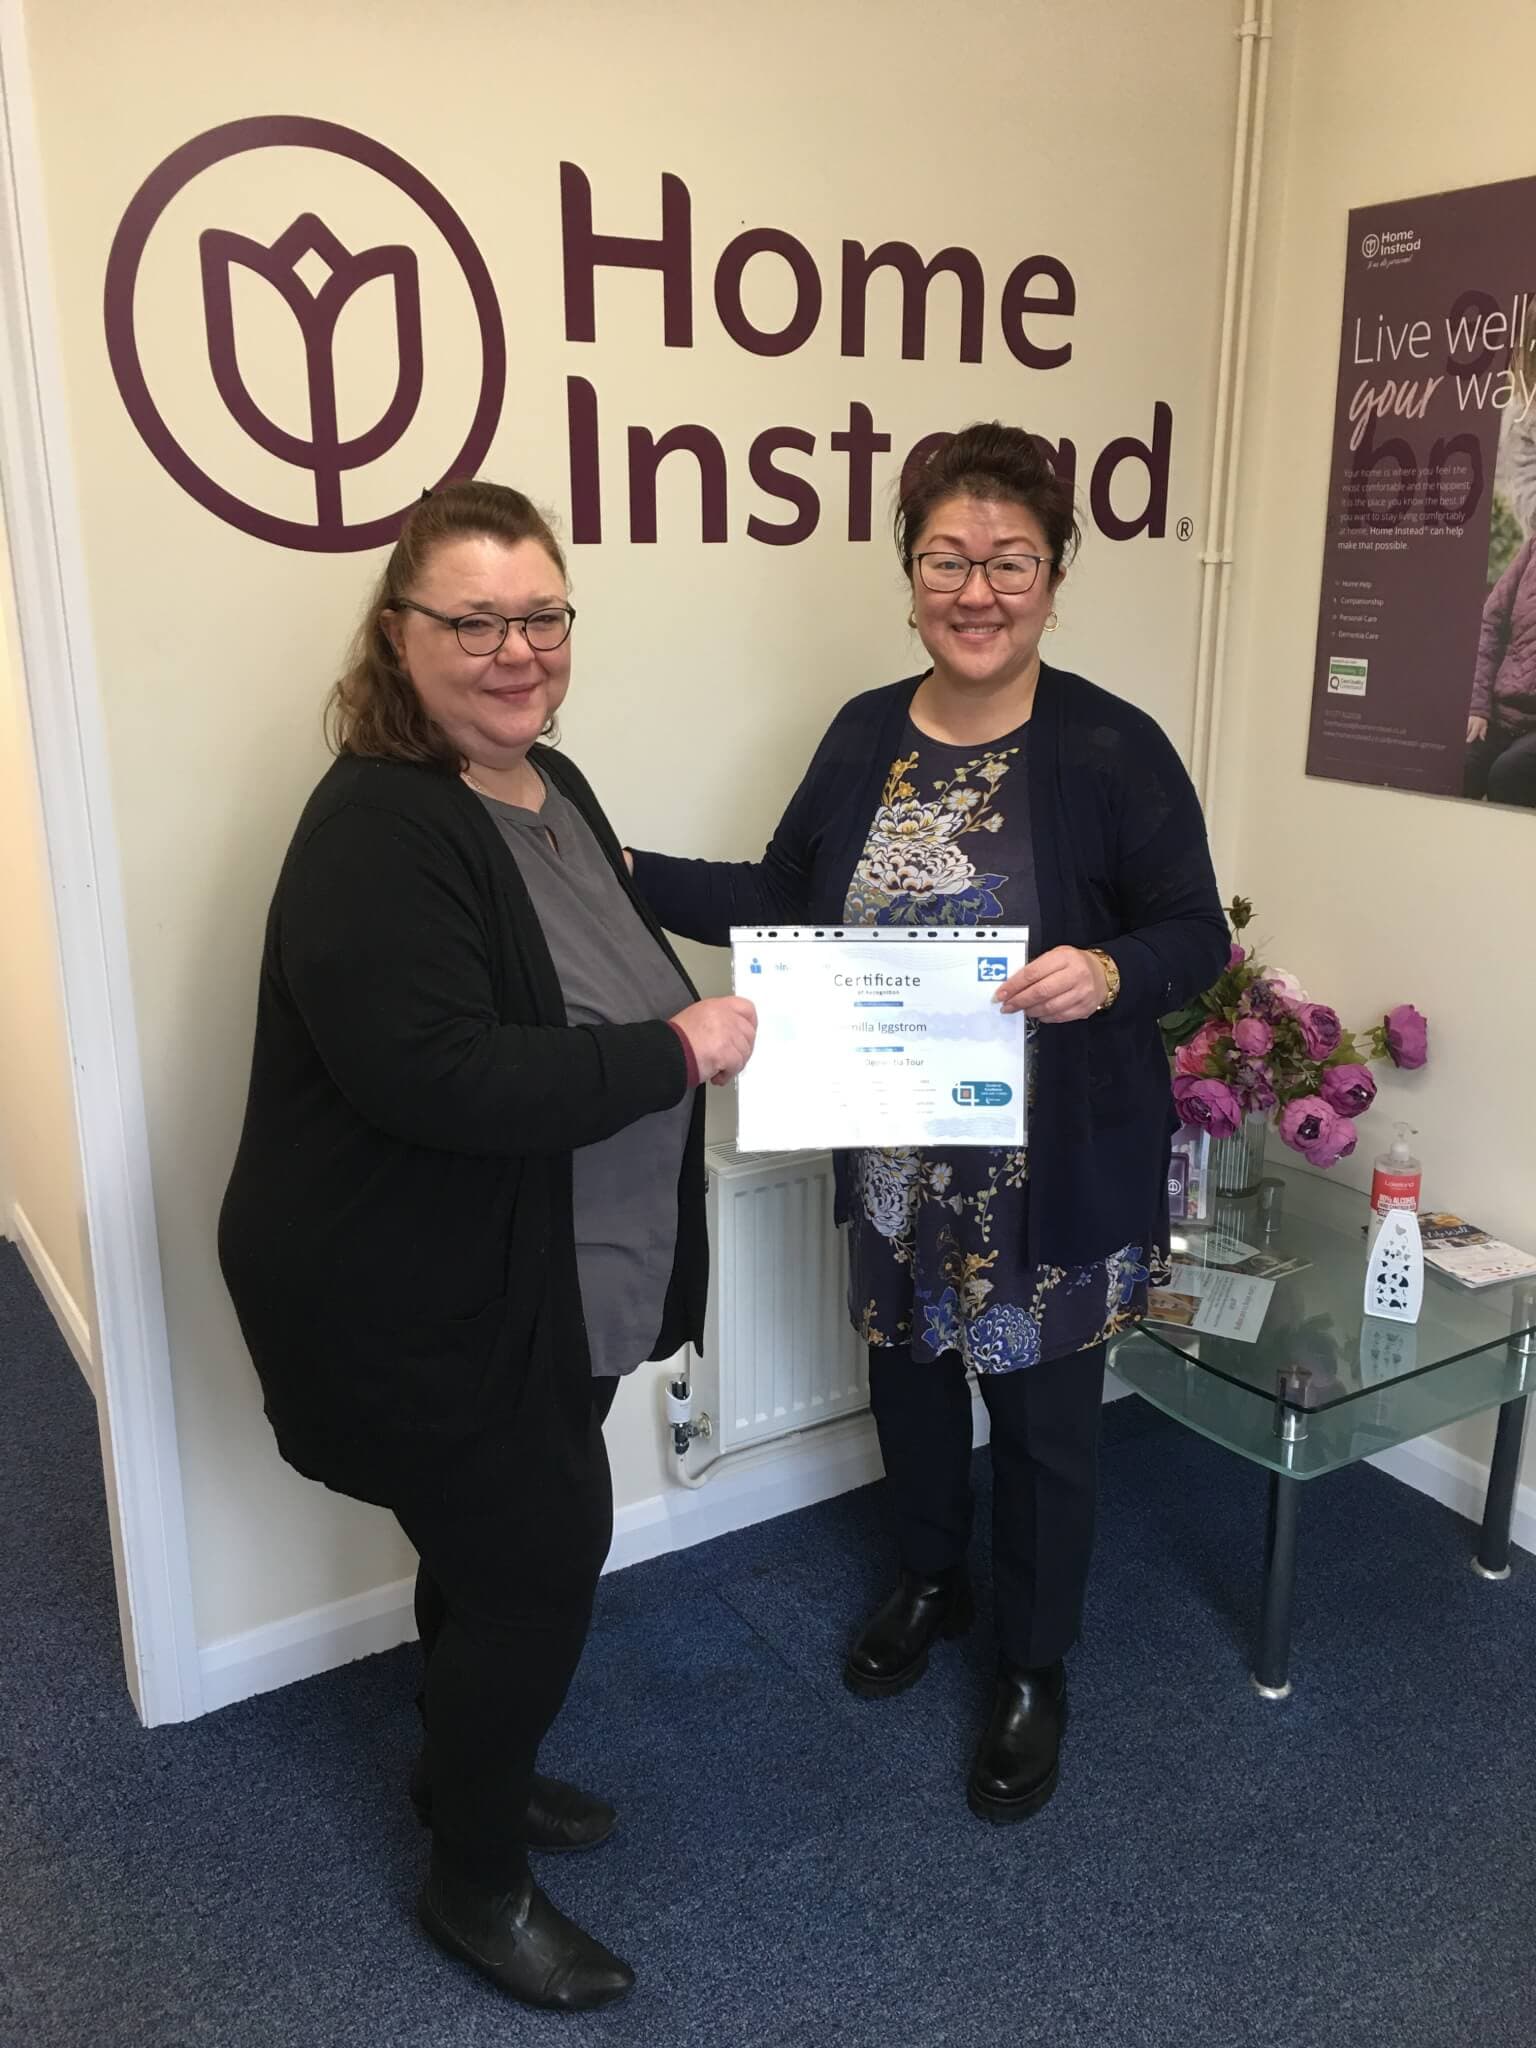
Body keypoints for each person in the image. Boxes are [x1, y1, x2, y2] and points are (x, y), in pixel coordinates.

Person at [628, 423, 1226, 1824]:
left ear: (1055, 577)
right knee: (907, 1383)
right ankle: (929, 1575)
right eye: (948, 559)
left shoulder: (1110, 745)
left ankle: (1032, 1661)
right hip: (897, 1150)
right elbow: (781, 895)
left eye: (1010, 561)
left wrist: (1111, 971)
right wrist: (614, 859)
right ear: (909, 577)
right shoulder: (862, 735)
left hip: (1052, 1168)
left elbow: (1195, 931)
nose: (977, 590)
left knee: (1045, 1427)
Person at [217, 480, 756, 2012]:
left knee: (487, 1554)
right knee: (534, 1573)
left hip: (560, 1271)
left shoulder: (546, 779)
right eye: (474, 621)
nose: (518, 651)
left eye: (542, 616)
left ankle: (469, 1774)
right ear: (399, 634)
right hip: (425, 1288)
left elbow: (593, 959)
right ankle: (475, 1882)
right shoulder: (378, 826)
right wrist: (678, 1050)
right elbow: (437, 1075)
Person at [1464, 533, 1536, 805]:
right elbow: (1490, 625)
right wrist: (1478, 707)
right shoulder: (1533, 548)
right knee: (1461, 765)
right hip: (1499, 711)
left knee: (1508, 774)